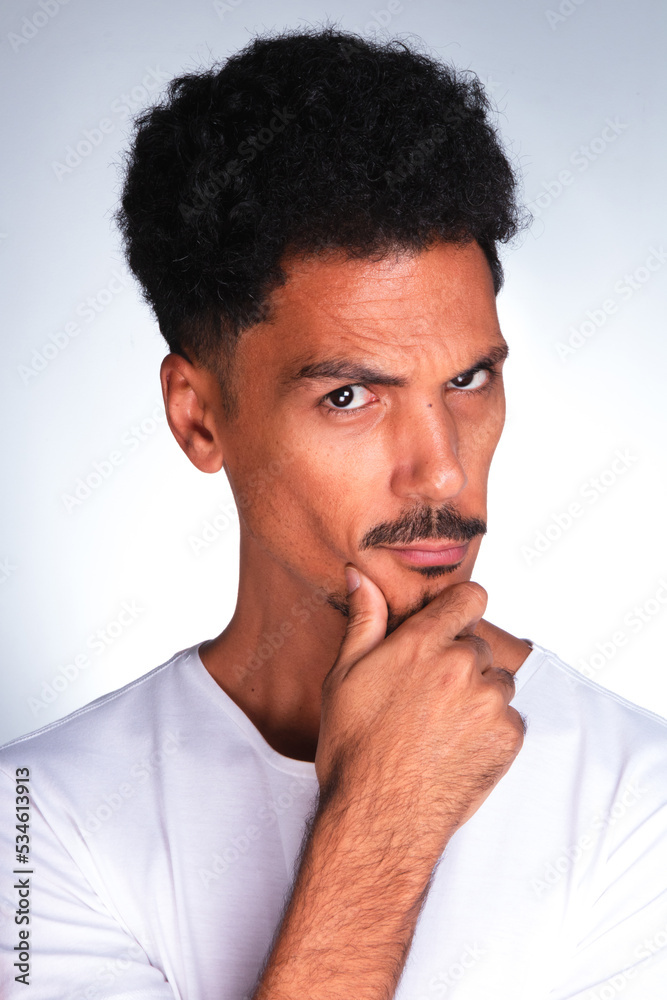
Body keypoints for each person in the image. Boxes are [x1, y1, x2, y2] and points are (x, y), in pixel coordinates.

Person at [1, 26, 666, 1000]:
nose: (440, 471)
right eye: (350, 396)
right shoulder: (34, 819)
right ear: (198, 416)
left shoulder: (641, 796)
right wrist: (383, 817)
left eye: (467, 380)